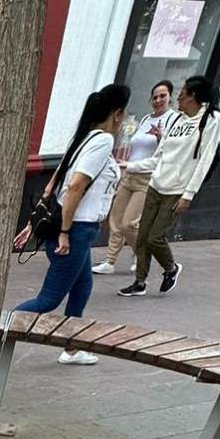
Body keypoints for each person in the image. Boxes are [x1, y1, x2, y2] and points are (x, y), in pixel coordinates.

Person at [12, 83, 130, 366]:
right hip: (75, 229)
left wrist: (34, 222)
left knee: (82, 286)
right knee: (48, 300)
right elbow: (75, 187)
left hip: (78, 230)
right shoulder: (102, 140)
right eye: (124, 113)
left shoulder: (84, 137)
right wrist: (64, 232)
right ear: (117, 113)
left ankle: (72, 348)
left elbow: (54, 182)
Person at [118, 75, 220, 298]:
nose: (178, 97)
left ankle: (171, 268)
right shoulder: (177, 120)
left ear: (193, 96)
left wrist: (189, 194)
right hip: (156, 185)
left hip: (177, 190)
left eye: (182, 93)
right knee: (143, 236)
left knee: (155, 237)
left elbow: (205, 160)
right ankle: (139, 282)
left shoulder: (210, 119)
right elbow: (158, 157)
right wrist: (130, 166)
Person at [92, 80, 177, 274]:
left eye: (162, 96)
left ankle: (141, 255)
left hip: (147, 177)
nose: (158, 100)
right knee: (115, 219)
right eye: (154, 97)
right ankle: (110, 261)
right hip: (128, 173)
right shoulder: (146, 118)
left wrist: (160, 137)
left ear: (170, 97)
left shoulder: (173, 120)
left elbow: (168, 151)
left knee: (129, 223)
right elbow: (134, 143)